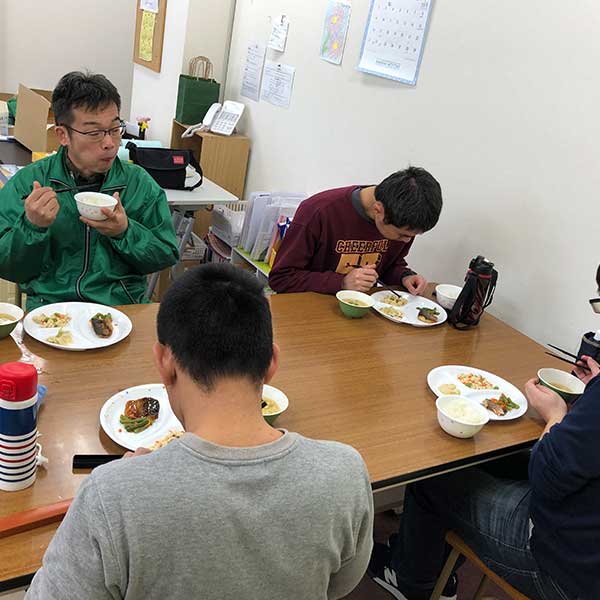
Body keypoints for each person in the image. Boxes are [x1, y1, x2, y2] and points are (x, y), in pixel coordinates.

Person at [26, 263, 374, 600]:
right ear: (271, 363)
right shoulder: (345, 472)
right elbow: (340, 584)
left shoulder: (112, 496)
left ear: (164, 363)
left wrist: (130, 479)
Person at [368, 268, 600, 600]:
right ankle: (423, 558)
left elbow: (548, 475)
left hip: (564, 566)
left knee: (434, 478)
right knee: (474, 461)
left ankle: (412, 582)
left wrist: (556, 415)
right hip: (584, 527)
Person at [0, 71, 178, 310]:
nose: (109, 143)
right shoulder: (31, 183)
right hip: (51, 309)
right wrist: (31, 227)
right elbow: (8, 266)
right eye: (94, 133)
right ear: (63, 134)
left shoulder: (138, 184)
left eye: (115, 129)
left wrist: (125, 232)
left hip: (121, 310)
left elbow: (165, 254)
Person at [268, 167, 442, 295]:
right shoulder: (318, 211)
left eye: (412, 237)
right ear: (378, 210)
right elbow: (281, 278)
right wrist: (342, 282)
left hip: (362, 317)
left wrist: (404, 276)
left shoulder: (402, 217)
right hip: (310, 312)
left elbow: (389, 265)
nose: (405, 241)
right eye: (402, 235)